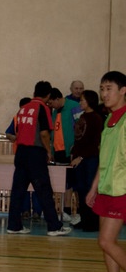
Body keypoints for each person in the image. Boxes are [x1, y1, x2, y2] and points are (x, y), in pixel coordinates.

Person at [6, 81, 72, 237]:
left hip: (21, 153)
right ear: (48, 95)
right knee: (44, 191)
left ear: (34, 92)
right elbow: (44, 134)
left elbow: (16, 132)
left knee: (18, 191)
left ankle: (13, 226)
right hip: (35, 153)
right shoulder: (42, 108)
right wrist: (48, 151)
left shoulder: (23, 108)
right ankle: (54, 227)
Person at [86, 71, 126, 272]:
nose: (104, 93)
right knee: (107, 244)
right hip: (106, 189)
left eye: (109, 88)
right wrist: (94, 188)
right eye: (102, 89)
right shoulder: (109, 121)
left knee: (105, 241)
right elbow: (104, 160)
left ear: (123, 91)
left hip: (121, 190)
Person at [70, 90, 103, 232]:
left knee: (90, 189)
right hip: (79, 159)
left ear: (89, 101)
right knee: (80, 189)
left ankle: (92, 222)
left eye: (82, 100)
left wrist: (81, 157)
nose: (80, 102)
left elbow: (95, 143)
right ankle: (84, 219)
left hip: (89, 159)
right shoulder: (83, 116)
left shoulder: (96, 118)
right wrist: (74, 152)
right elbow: (80, 138)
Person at [6, 97, 43, 220]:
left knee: (36, 185)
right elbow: (8, 133)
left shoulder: (36, 117)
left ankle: (37, 211)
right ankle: (25, 210)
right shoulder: (16, 118)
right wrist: (14, 137)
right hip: (20, 155)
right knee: (23, 186)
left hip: (34, 155)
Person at [48, 88, 80, 224]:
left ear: (57, 99)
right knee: (64, 183)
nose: (50, 106)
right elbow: (53, 132)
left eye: (51, 103)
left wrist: (76, 147)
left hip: (71, 152)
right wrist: (51, 150)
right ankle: (65, 211)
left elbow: (80, 128)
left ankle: (78, 212)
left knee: (75, 183)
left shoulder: (74, 106)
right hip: (58, 152)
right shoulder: (55, 112)